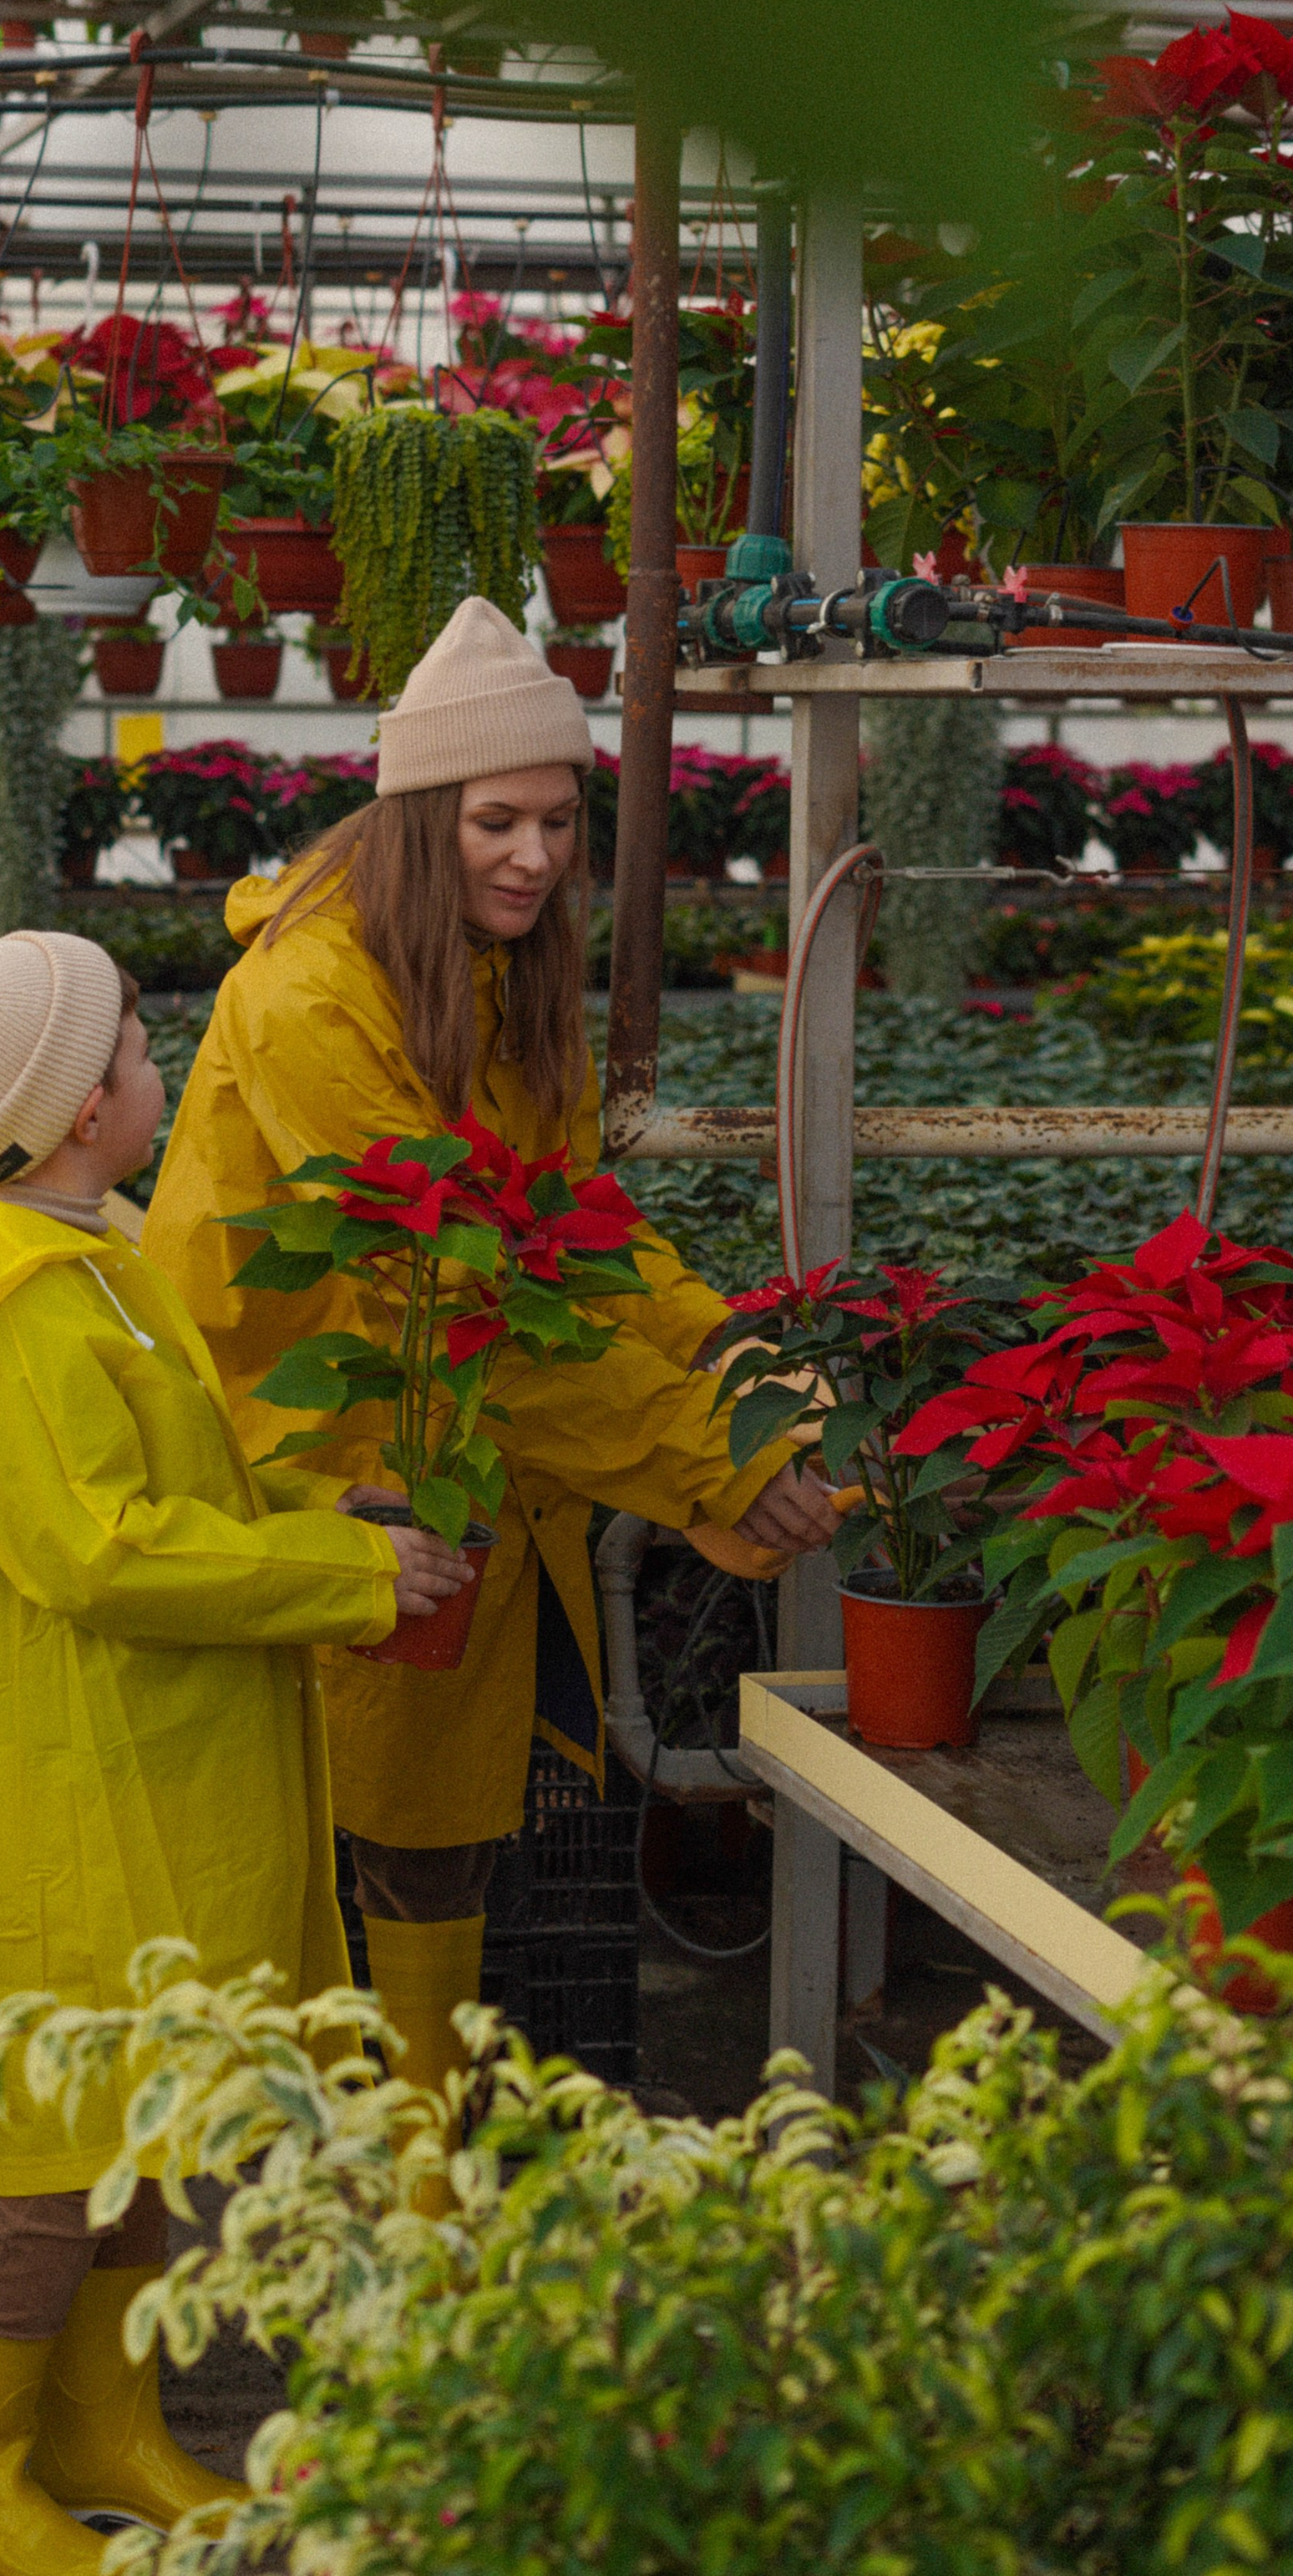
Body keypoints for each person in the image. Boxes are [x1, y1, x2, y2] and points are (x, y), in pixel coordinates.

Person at [145, 597, 838, 2097]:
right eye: (496, 823)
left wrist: (727, 1356)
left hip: (438, 1439)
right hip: (307, 1444)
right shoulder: (309, 994)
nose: (535, 856)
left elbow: (566, 1222)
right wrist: (711, 1460)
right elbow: (445, 1292)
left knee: (437, 1826)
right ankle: (370, 2170)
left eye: (559, 822)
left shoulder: (498, 968)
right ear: (419, 820)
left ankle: (415, 2159)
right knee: (357, 1817)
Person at [0, 927, 469, 2576]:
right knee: (52, 2169)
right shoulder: (17, 1317)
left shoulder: (89, 1253)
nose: (156, 1068)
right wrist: (348, 1578)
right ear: (75, 1114)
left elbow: (180, 1478)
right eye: (131, 1050)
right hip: (48, 1796)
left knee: (132, 2126)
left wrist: (325, 1508)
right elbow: (104, 1551)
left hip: (114, 1765)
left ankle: (97, 2434)